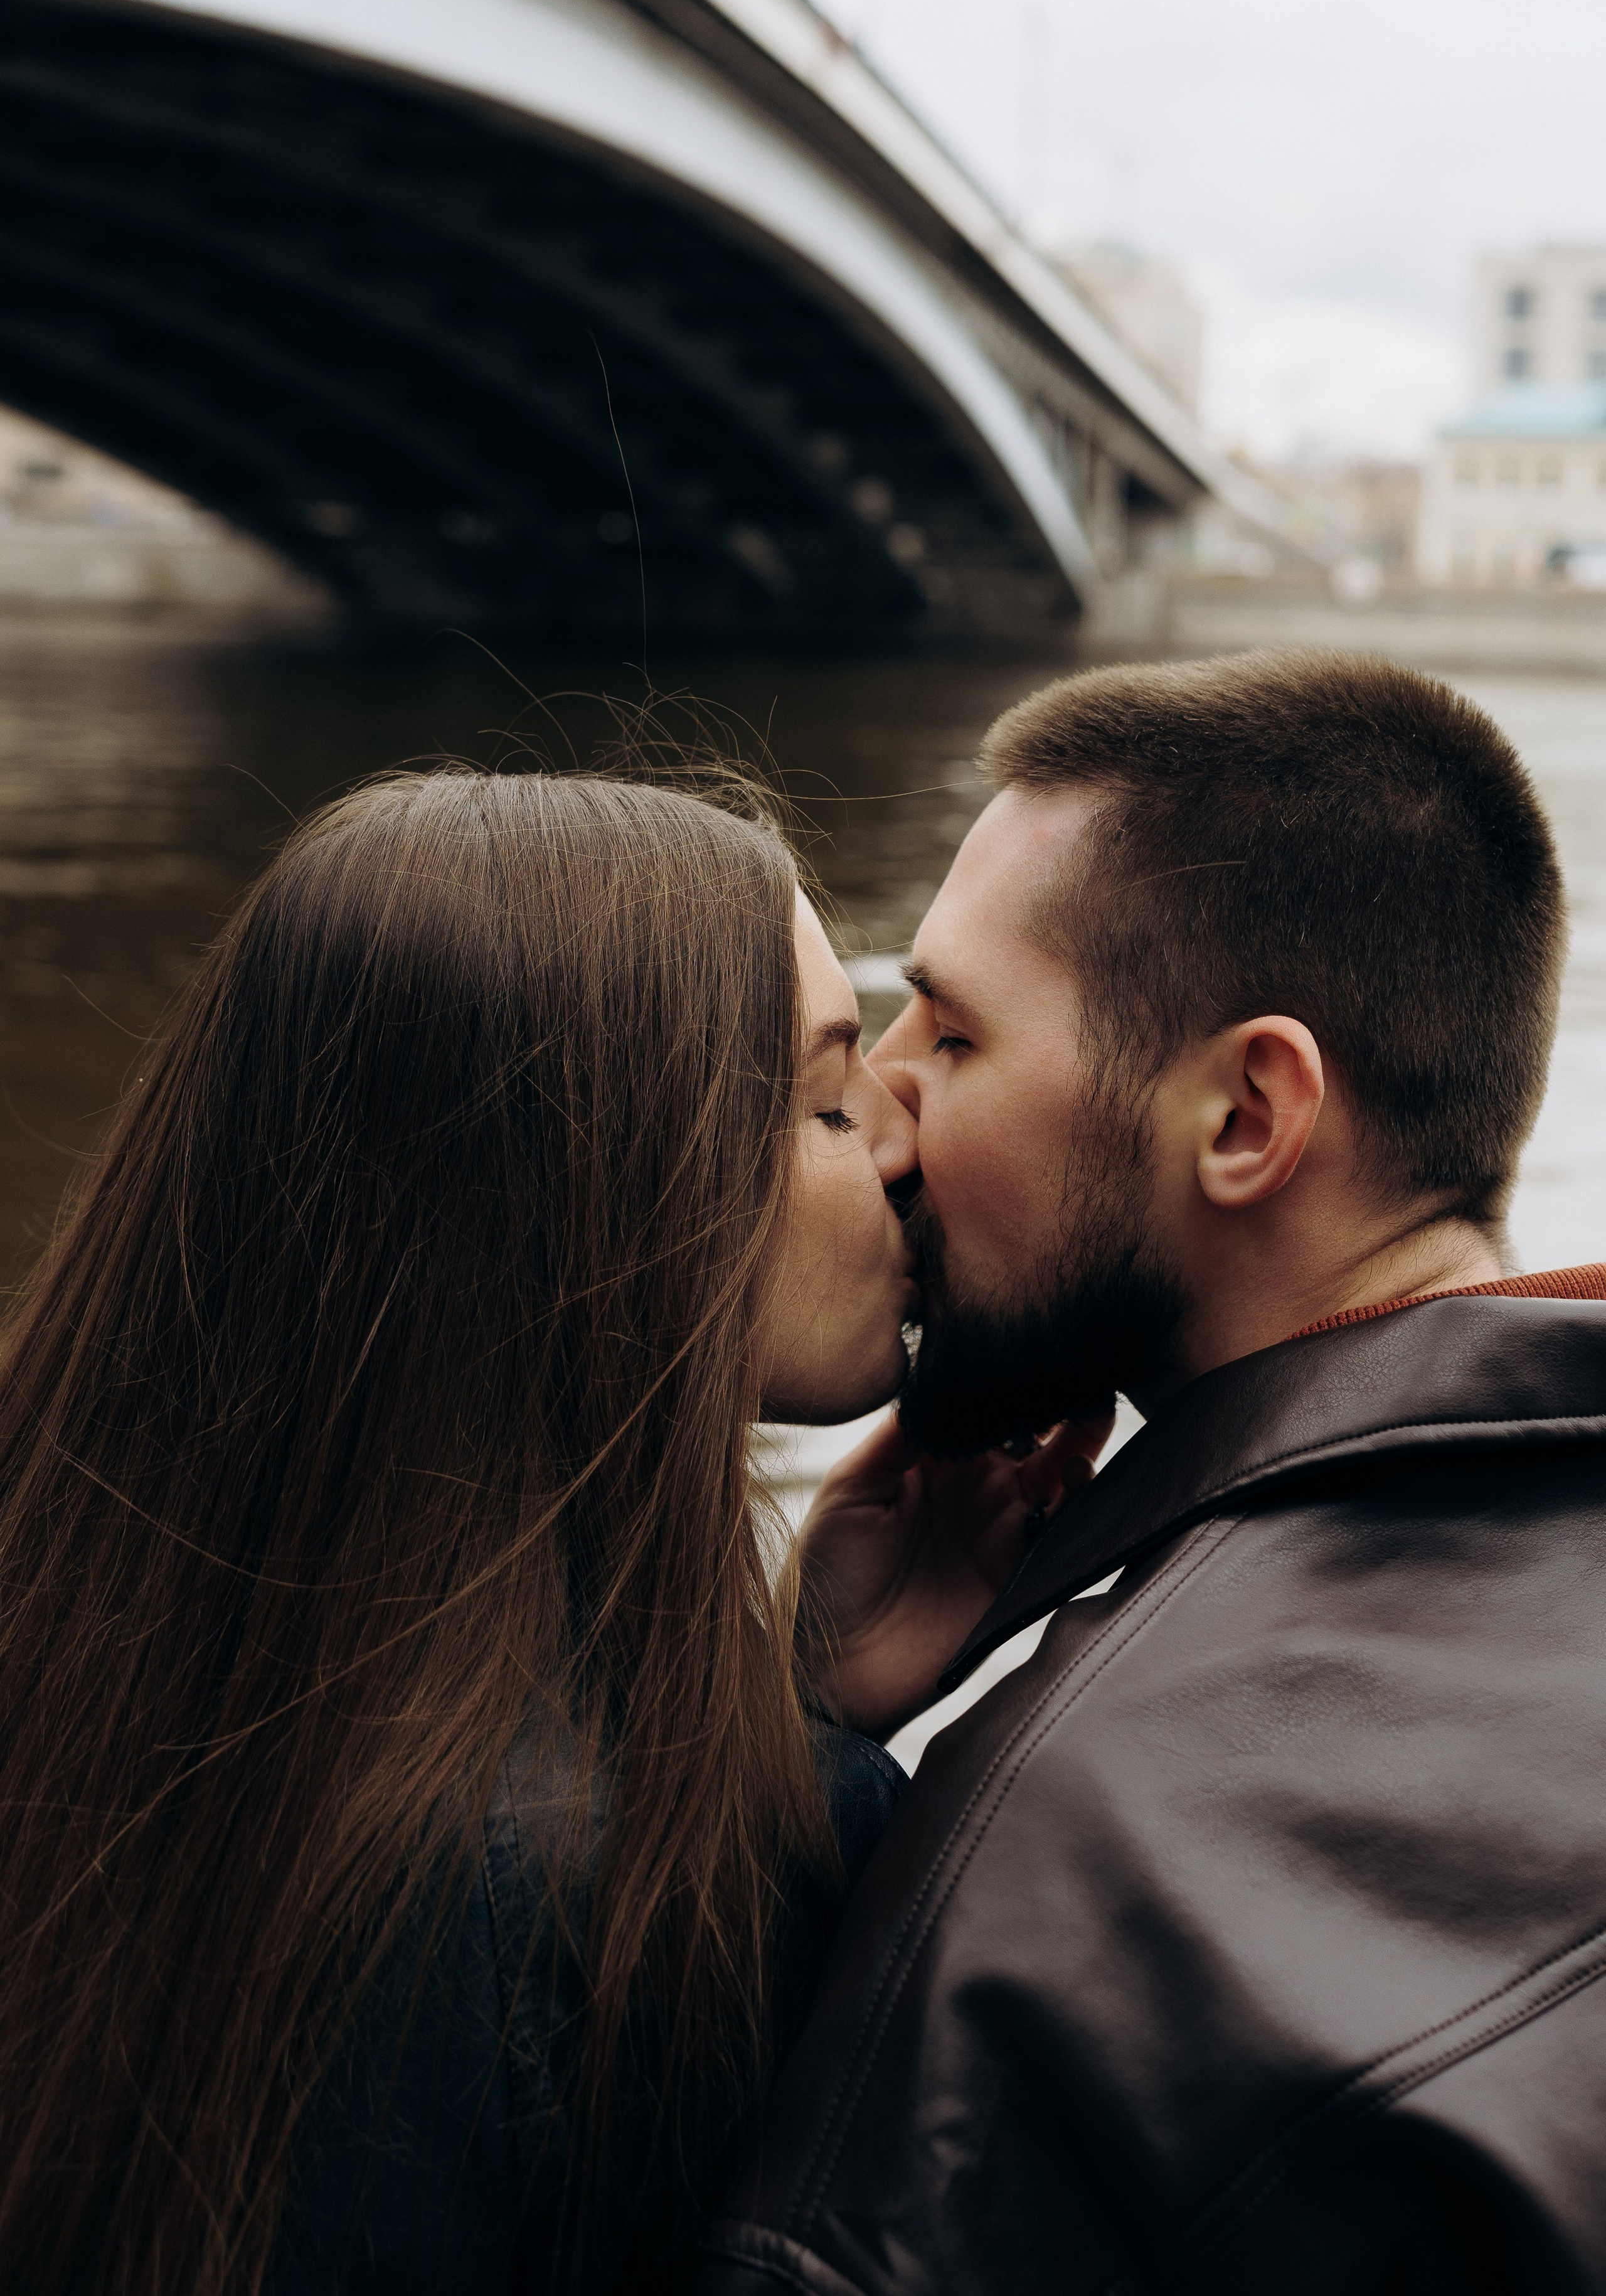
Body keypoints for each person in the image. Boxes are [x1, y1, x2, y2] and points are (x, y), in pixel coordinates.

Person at [0, 767, 1053, 2296]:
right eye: (827, 1101)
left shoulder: (95, 1640)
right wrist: (791, 1779)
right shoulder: (643, 1889)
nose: (900, 1142)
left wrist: (784, 1691)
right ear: (603, 1202)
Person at [701, 649, 1606, 2295]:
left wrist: (792, 1754)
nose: (883, 1123)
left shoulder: (1067, 1855)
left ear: (1248, 1117)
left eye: (954, 1038)